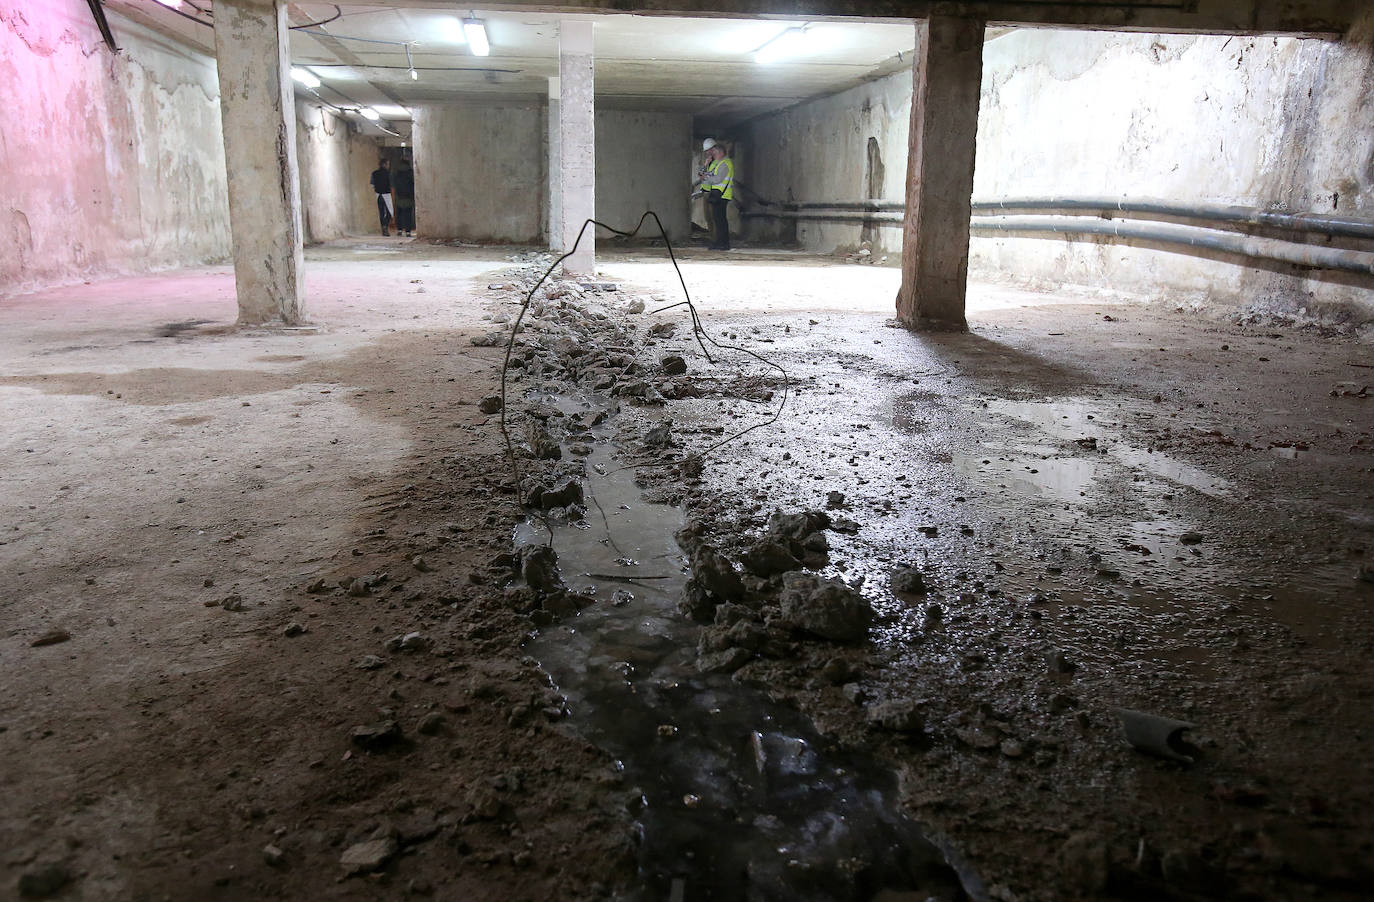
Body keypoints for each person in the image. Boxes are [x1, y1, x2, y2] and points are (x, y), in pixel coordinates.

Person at [698, 137, 734, 251]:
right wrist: (705, 168)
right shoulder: (716, 163)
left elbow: (717, 179)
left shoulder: (724, 163)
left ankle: (722, 243)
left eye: (713, 152)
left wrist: (706, 177)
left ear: (720, 152)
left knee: (720, 220)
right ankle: (719, 242)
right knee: (717, 219)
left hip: (721, 195)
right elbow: (703, 174)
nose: (711, 154)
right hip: (716, 194)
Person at [370, 158, 393, 237]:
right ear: (384, 164)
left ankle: (383, 227)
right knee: (390, 212)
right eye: (387, 164)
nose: (388, 166)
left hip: (378, 195)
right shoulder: (388, 174)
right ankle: (385, 227)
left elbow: (372, 185)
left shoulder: (374, 173)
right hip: (386, 194)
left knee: (381, 212)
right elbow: (391, 184)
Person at [393, 158, 415, 237]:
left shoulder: (397, 173)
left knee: (399, 215)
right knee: (408, 215)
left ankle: (399, 230)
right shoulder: (411, 172)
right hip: (409, 197)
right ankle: (408, 231)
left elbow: (394, 184)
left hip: (399, 197)